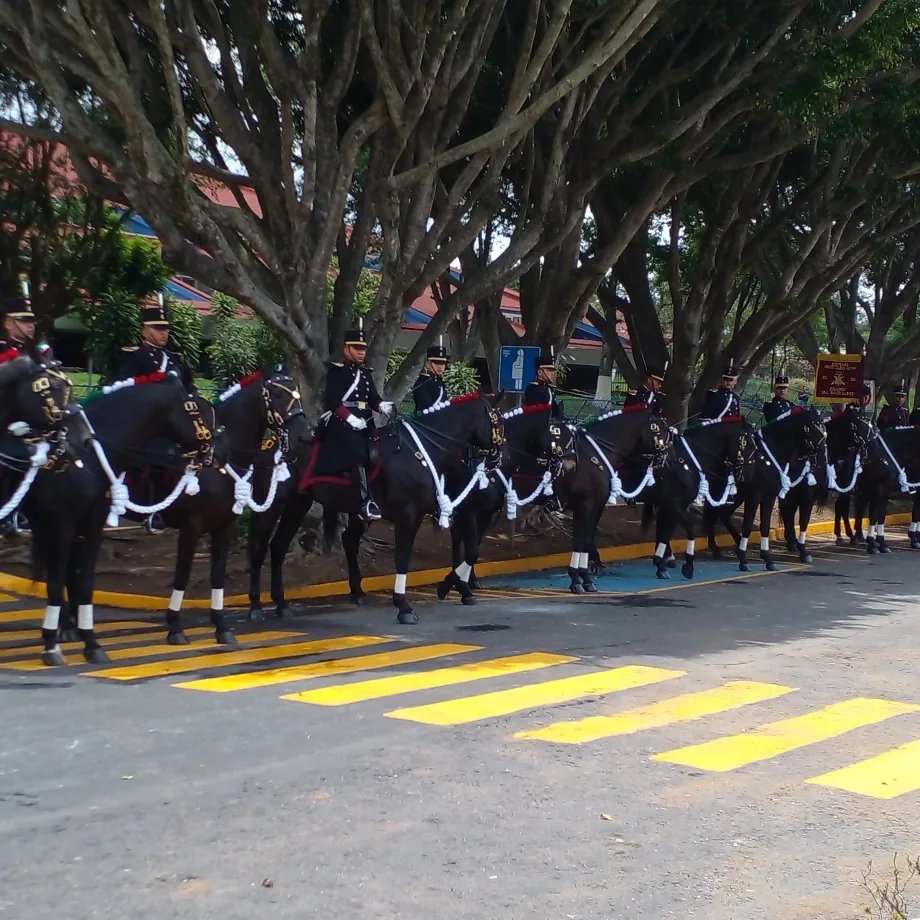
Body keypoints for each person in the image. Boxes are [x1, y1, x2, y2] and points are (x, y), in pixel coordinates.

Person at [322, 326, 394, 521]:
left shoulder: (365, 374)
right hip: (340, 423)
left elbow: (373, 399)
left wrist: (382, 406)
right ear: (346, 349)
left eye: (363, 349)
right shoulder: (337, 372)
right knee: (358, 452)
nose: (361, 352)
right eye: (356, 348)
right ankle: (365, 502)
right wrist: (350, 418)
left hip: (365, 421)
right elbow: (333, 402)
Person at [115, 295, 182, 380]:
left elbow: (186, 386)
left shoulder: (172, 357)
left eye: (165, 328)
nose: (163, 333)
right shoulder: (136, 357)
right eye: (157, 328)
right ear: (144, 331)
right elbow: (125, 386)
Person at [524, 348, 564, 420]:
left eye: (553, 371)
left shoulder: (547, 388)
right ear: (540, 372)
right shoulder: (534, 390)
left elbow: (555, 411)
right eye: (549, 370)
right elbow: (535, 415)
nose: (552, 373)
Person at [412, 343, 449, 412]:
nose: (440, 366)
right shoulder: (421, 383)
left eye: (443, 363)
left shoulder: (440, 382)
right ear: (428, 363)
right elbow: (425, 407)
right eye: (436, 362)